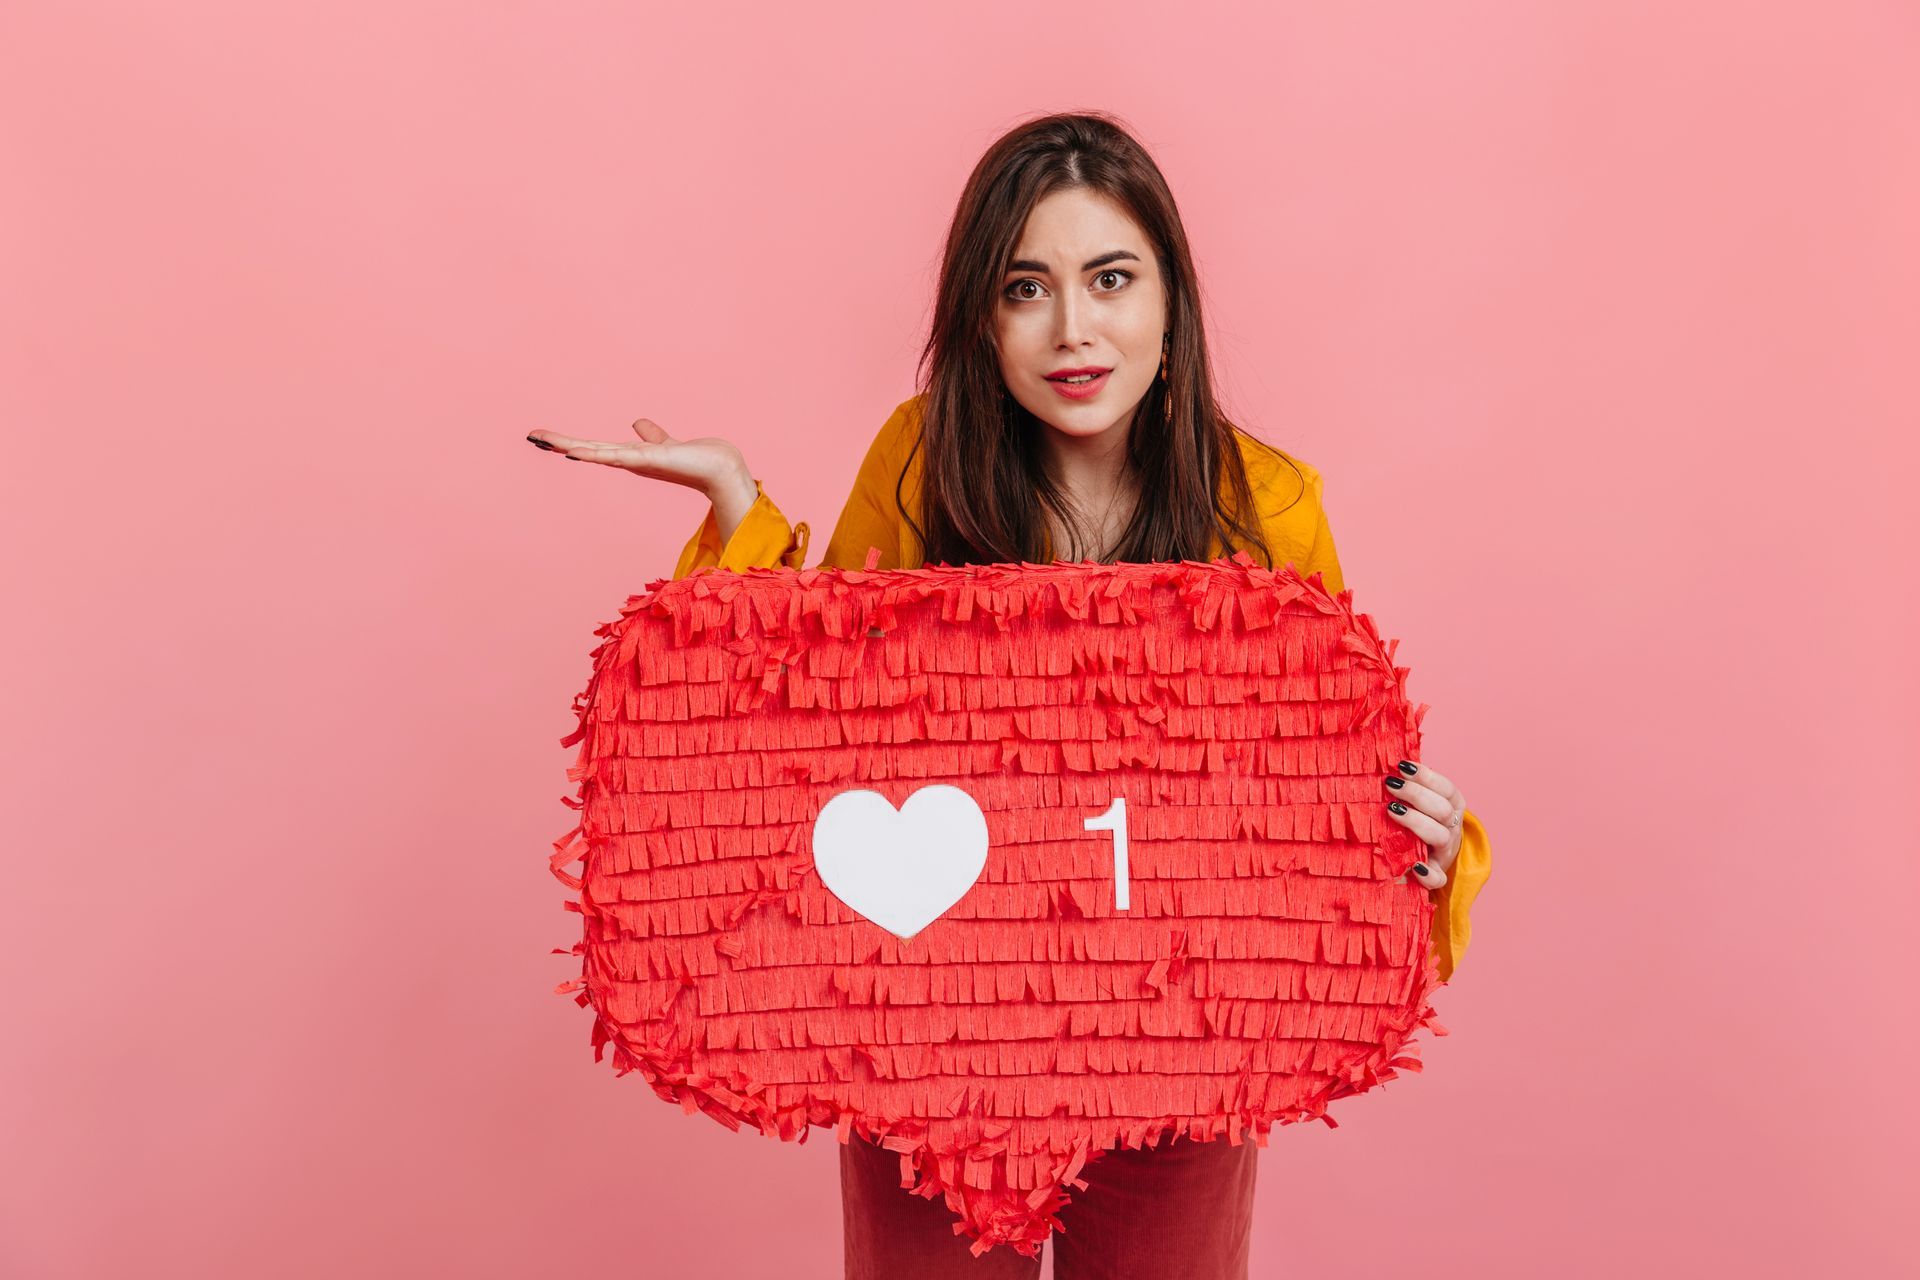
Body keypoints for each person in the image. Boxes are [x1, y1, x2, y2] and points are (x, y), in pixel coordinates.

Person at [528, 110, 1491, 1280]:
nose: (1073, 328)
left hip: (1182, 1028)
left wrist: (1415, 847)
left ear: (1171, 308)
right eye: (1027, 287)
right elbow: (804, 719)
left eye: (1111, 279)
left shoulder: (1266, 502)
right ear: (982, 322)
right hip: (930, 1030)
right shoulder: (922, 460)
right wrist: (739, 504)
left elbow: (1312, 777)